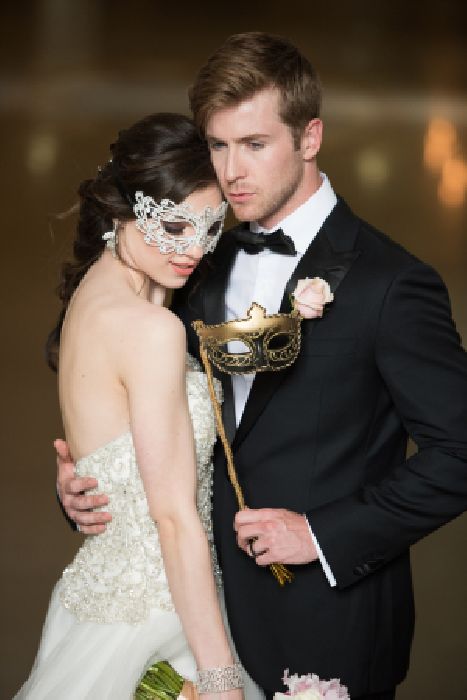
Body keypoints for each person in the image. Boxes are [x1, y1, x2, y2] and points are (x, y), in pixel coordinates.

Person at [57, 34, 467, 700]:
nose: (231, 172)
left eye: (253, 144)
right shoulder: (194, 259)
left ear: (310, 138)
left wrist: (321, 534)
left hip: (326, 622)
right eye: (217, 146)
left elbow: (460, 451)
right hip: (196, 616)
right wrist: (96, 479)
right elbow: (138, 398)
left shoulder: (391, 284)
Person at [16, 113, 245, 700]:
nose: (194, 248)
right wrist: (220, 678)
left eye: (210, 226)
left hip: (99, 602)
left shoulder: (92, 296)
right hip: (161, 616)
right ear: (122, 210)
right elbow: (172, 518)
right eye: (173, 226)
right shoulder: (150, 329)